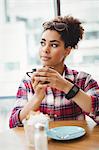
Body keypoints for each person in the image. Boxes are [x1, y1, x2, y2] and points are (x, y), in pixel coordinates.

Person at [9, 15, 99, 128]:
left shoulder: (83, 80)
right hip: (42, 144)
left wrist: (67, 87)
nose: (45, 49)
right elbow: (13, 124)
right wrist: (37, 98)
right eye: (43, 43)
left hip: (74, 145)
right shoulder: (28, 81)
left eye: (54, 45)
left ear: (67, 50)